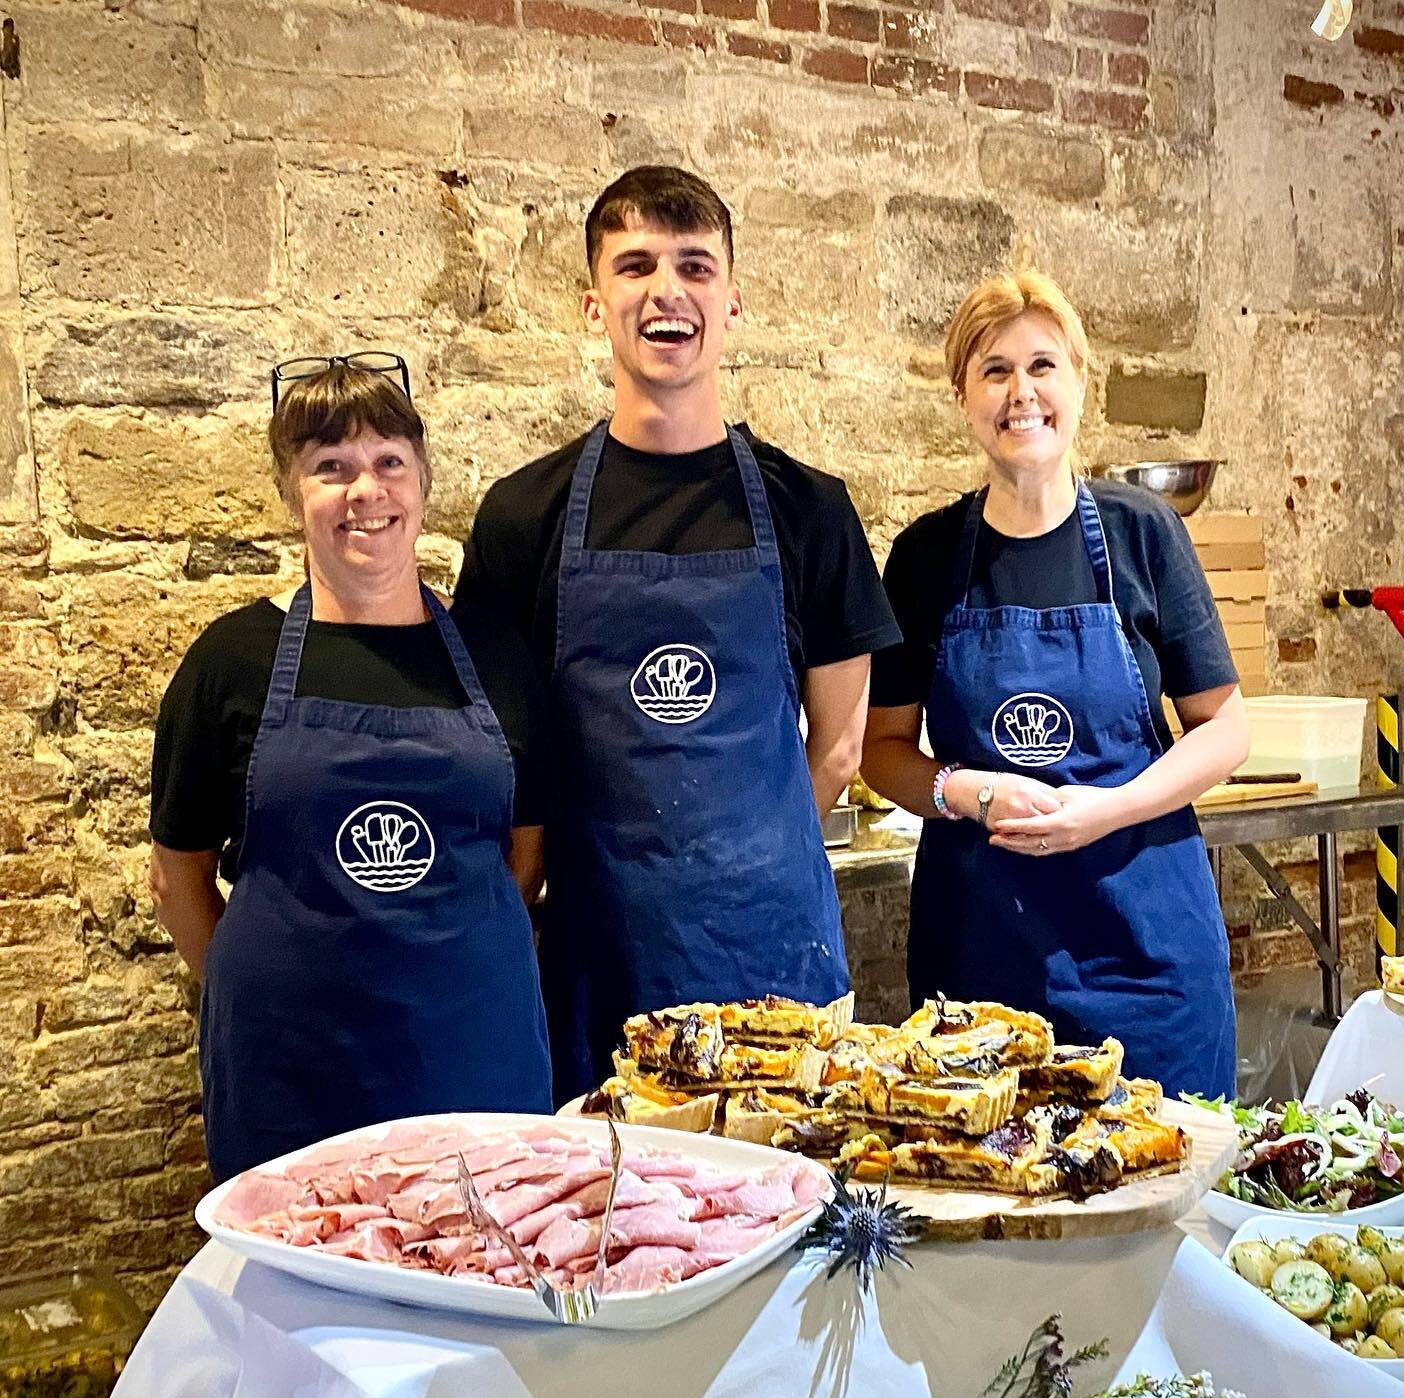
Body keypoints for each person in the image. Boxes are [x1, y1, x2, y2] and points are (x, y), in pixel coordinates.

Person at [455, 166, 900, 1102]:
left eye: (696, 267)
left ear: (730, 302)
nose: (668, 290)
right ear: (593, 304)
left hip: (773, 962)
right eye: (636, 265)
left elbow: (844, 746)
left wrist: (736, 860)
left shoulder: (809, 510)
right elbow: (505, 764)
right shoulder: (521, 516)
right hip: (595, 964)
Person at [149, 355, 552, 1180]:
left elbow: (528, 854)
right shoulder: (232, 662)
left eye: (388, 462)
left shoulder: (497, 654)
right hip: (294, 1079)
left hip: (473, 1056)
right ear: (290, 490)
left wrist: (433, 962)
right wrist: (262, 998)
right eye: (329, 467)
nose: (364, 491)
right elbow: (177, 880)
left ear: (422, 481)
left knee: (487, 1279)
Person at [860, 271, 1245, 1098]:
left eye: (1042, 366)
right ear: (962, 395)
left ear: (1078, 381)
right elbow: (881, 753)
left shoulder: (1146, 535)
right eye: (993, 370)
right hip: (983, 965)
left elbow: (1225, 729)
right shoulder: (926, 558)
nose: (1020, 392)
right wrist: (965, 790)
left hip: (1146, 957)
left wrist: (1104, 810)